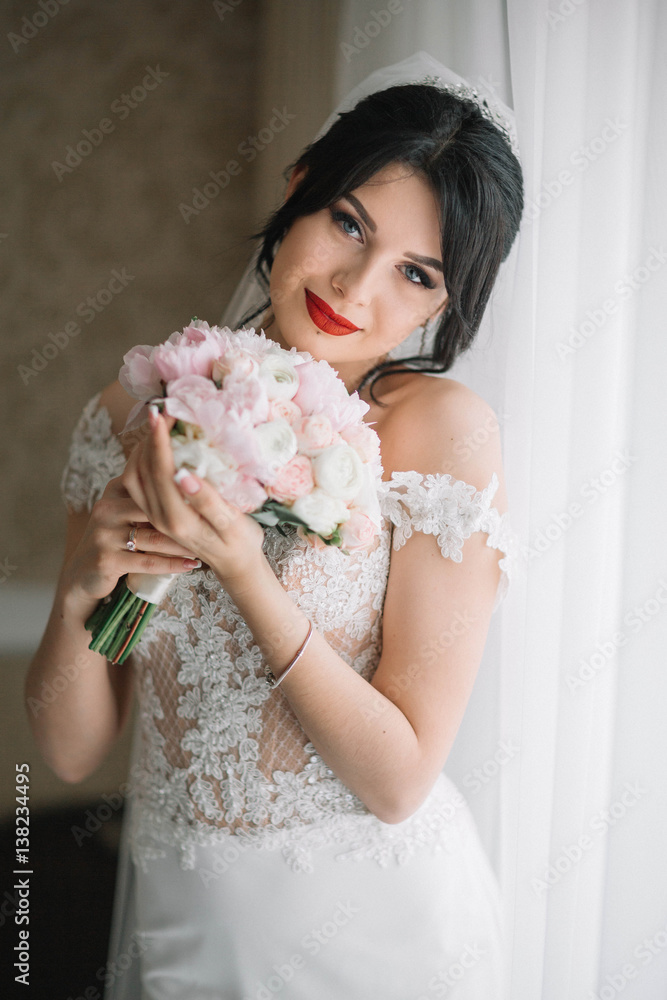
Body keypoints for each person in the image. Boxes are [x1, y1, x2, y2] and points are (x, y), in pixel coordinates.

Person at [25, 52, 523, 999]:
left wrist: (248, 574)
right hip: (182, 924)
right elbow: (71, 752)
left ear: (445, 303)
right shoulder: (138, 414)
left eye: (414, 274)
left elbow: (398, 783)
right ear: (299, 189)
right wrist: (84, 593)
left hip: (375, 936)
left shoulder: (438, 434)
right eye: (347, 222)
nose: (357, 285)